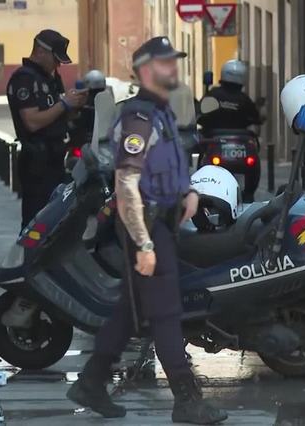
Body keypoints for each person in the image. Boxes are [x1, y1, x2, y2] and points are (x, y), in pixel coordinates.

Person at [66, 36, 228, 425]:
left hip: (161, 223)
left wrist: (187, 191)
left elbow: (169, 167)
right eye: (165, 63)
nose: (173, 69)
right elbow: (126, 184)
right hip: (147, 227)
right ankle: (187, 401)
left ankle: (91, 382)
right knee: (166, 313)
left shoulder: (162, 114)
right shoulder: (139, 119)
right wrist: (143, 242)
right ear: (145, 71)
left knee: (129, 312)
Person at [6, 29, 88, 228]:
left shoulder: (50, 78)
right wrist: (64, 104)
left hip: (55, 158)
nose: (58, 64)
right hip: (36, 162)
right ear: (41, 52)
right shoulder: (24, 79)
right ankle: (28, 259)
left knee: (56, 220)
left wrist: (74, 105)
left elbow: (56, 114)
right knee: (36, 223)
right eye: (56, 59)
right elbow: (32, 122)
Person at [197, 59, 261, 132]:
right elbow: (256, 118)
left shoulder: (213, 94)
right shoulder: (244, 99)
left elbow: (199, 113)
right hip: (239, 138)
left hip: (213, 137)